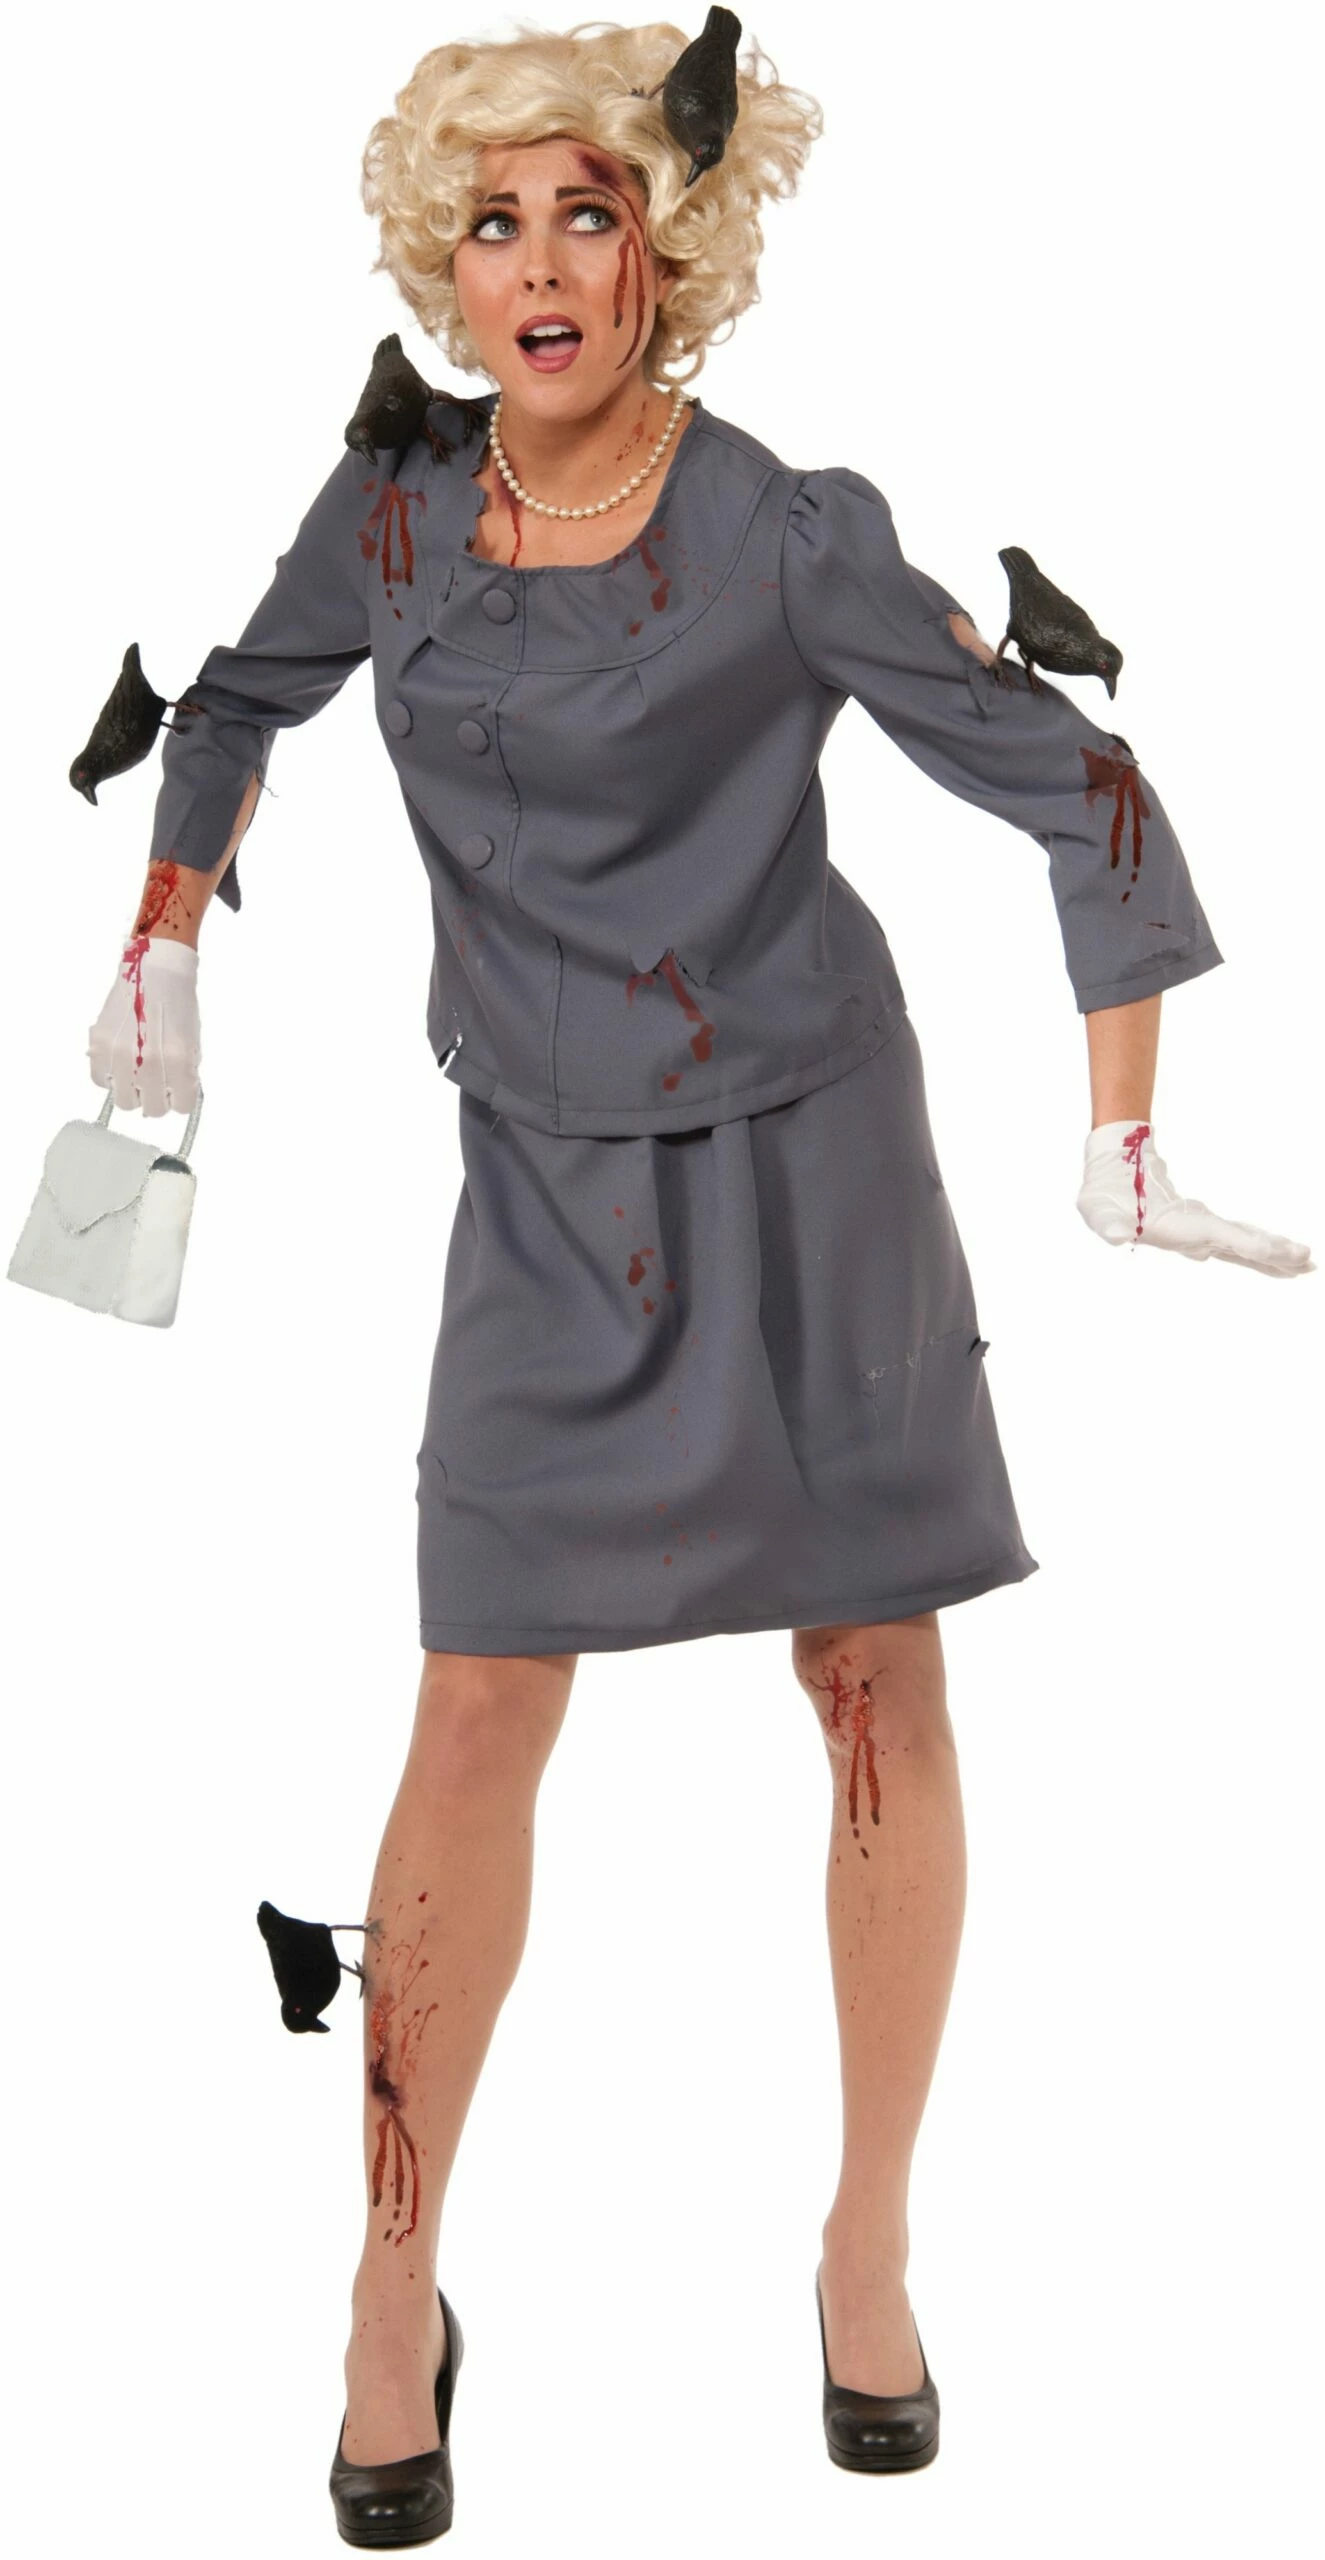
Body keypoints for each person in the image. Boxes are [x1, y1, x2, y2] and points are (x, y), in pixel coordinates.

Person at [82, 17, 1313, 2545]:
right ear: (441, 263)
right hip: (543, 1192)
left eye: (591, 214)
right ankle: (387, 2285)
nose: (542, 266)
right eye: (494, 223)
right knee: (470, 1699)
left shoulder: (778, 526)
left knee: (872, 1674)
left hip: (806, 1170)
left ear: (671, 247)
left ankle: (866, 2244)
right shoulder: (391, 511)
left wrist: (1121, 1123)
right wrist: (163, 934)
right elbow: (235, 705)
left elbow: (1072, 783)